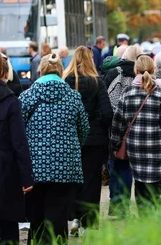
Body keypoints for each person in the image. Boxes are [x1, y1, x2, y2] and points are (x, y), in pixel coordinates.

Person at [19, 53, 89, 244]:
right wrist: (72, 147)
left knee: (36, 215)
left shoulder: (27, 96)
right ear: (60, 71)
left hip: (35, 165)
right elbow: (84, 128)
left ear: (40, 71)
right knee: (58, 214)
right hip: (65, 166)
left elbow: (19, 131)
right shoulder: (73, 97)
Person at [110, 55, 161, 215]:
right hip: (156, 146)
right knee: (155, 180)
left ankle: (143, 214)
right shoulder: (160, 94)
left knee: (140, 181)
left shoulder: (127, 93)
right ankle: (154, 210)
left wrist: (114, 145)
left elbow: (118, 123)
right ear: (154, 70)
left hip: (135, 146)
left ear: (136, 71)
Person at [63, 46, 113, 234]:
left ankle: (75, 217)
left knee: (73, 179)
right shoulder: (96, 81)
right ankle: (88, 223)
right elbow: (108, 112)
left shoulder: (66, 81)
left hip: (72, 139)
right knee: (91, 181)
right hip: (94, 138)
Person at [0, 51, 34, 245]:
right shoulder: (11, 101)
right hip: (6, 167)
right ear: (4, 72)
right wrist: (27, 177)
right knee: (8, 219)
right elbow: (19, 142)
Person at [103, 45, 142, 218]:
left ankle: (114, 203)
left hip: (114, 126)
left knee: (114, 164)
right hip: (134, 127)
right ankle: (124, 206)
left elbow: (107, 100)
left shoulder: (113, 74)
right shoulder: (139, 75)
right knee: (127, 168)